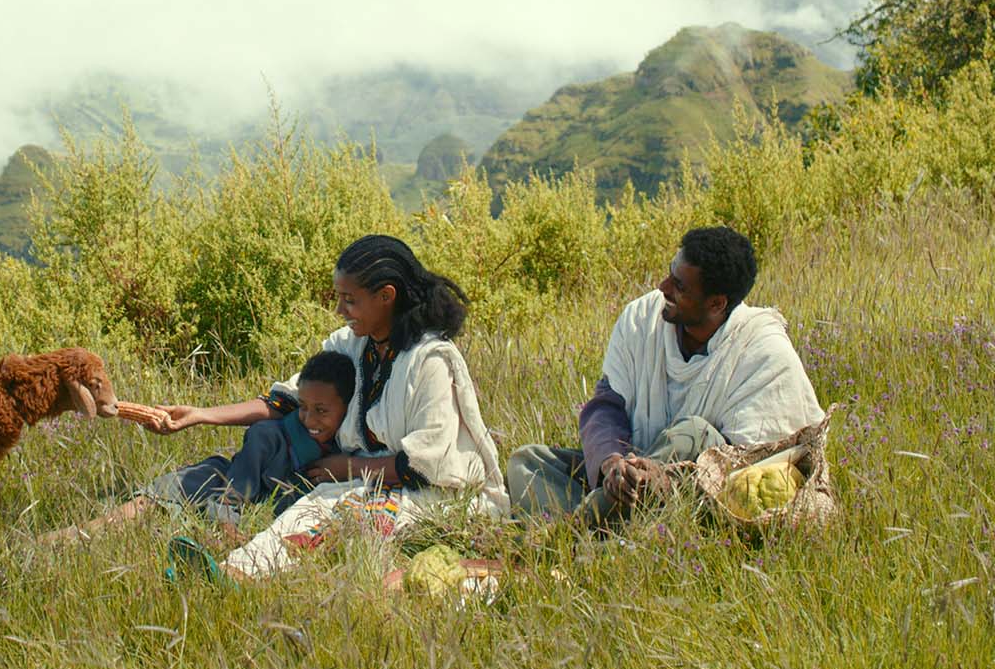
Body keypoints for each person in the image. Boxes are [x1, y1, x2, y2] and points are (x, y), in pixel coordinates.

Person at [158, 234, 510, 580]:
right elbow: (287, 401)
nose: (340, 310)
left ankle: (241, 578)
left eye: (349, 300)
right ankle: (229, 573)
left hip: (431, 494)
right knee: (309, 510)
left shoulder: (429, 360)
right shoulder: (352, 345)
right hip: (360, 480)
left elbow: (426, 465)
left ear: (386, 296)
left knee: (349, 516)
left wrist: (349, 467)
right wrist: (201, 415)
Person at [506, 226, 824, 522]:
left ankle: (576, 528)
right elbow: (606, 405)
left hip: (694, 493)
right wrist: (613, 463)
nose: (663, 288)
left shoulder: (762, 350)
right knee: (527, 461)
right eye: (670, 274)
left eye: (680, 286)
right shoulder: (642, 319)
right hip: (628, 472)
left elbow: (752, 463)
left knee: (694, 433)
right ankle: (602, 526)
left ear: (716, 303)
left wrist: (662, 477)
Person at [133, 350, 355, 525]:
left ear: (348, 408)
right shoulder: (270, 437)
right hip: (228, 485)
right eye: (303, 407)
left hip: (268, 512)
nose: (309, 419)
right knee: (159, 496)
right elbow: (234, 490)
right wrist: (227, 524)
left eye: (321, 411)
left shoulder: (349, 452)